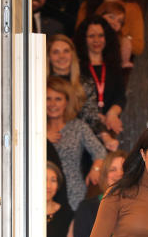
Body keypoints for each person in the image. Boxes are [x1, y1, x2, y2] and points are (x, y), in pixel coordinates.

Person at [46, 75, 108, 209]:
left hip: (74, 196)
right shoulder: (35, 130)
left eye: (58, 99)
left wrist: (96, 169)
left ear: (67, 102)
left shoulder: (78, 127)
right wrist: (42, 139)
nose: (52, 104)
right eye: (48, 99)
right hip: (44, 193)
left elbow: (100, 152)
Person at [47, 34, 116, 151]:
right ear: (48, 56)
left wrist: (106, 137)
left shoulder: (85, 84)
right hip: (50, 139)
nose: (62, 56)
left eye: (66, 51)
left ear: (72, 55)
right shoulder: (39, 84)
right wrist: (41, 134)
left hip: (79, 143)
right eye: (56, 52)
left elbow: (91, 117)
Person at [66, 148, 127, 237]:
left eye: (124, 169)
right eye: (113, 170)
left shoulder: (137, 207)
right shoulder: (86, 207)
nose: (119, 174)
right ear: (104, 175)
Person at [76, 0, 145, 60]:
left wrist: (117, 37)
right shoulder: (86, 7)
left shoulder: (132, 8)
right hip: (89, 64)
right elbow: (78, 39)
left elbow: (139, 47)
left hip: (117, 66)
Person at [74, 16, 126, 142]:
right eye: (91, 36)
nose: (96, 40)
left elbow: (121, 96)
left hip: (109, 125)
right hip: (83, 126)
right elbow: (76, 99)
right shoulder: (76, 67)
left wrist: (112, 114)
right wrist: (96, 117)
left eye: (100, 35)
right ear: (84, 39)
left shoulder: (114, 66)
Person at [46, 161, 77, 237]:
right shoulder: (24, 214)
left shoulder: (67, 215)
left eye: (53, 180)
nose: (48, 185)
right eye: (44, 179)